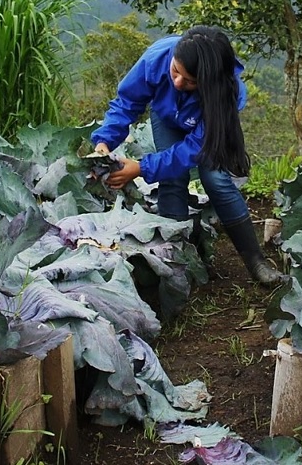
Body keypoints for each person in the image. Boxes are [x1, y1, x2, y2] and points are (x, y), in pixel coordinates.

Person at [91, 25, 283, 287]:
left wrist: (141, 168)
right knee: (172, 180)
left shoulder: (227, 94)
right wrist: (103, 142)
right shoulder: (155, 59)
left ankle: (256, 262)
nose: (179, 83)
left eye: (191, 81)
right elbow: (126, 103)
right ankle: (177, 266)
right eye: (176, 72)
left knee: (216, 179)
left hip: (209, 120)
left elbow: (195, 148)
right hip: (167, 117)